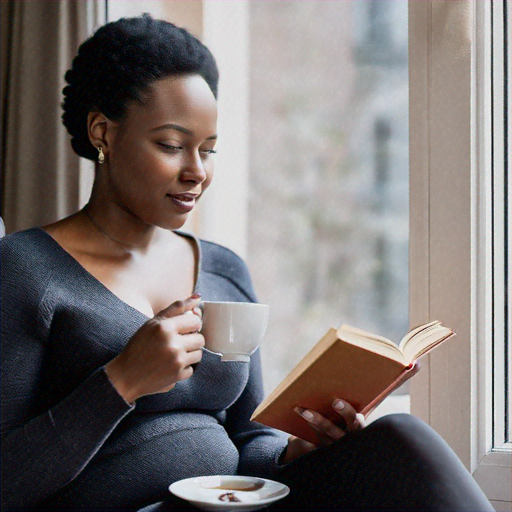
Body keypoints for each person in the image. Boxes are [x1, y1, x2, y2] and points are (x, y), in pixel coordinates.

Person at [1, 15, 494, 512]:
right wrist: (122, 381)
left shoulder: (222, 269)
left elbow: (247, 440)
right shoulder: (26, 270)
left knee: (397, 440)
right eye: (171, 146)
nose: (197, 171)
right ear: (102, 132)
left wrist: (297, 449)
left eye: (208, 150)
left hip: (238, 506)